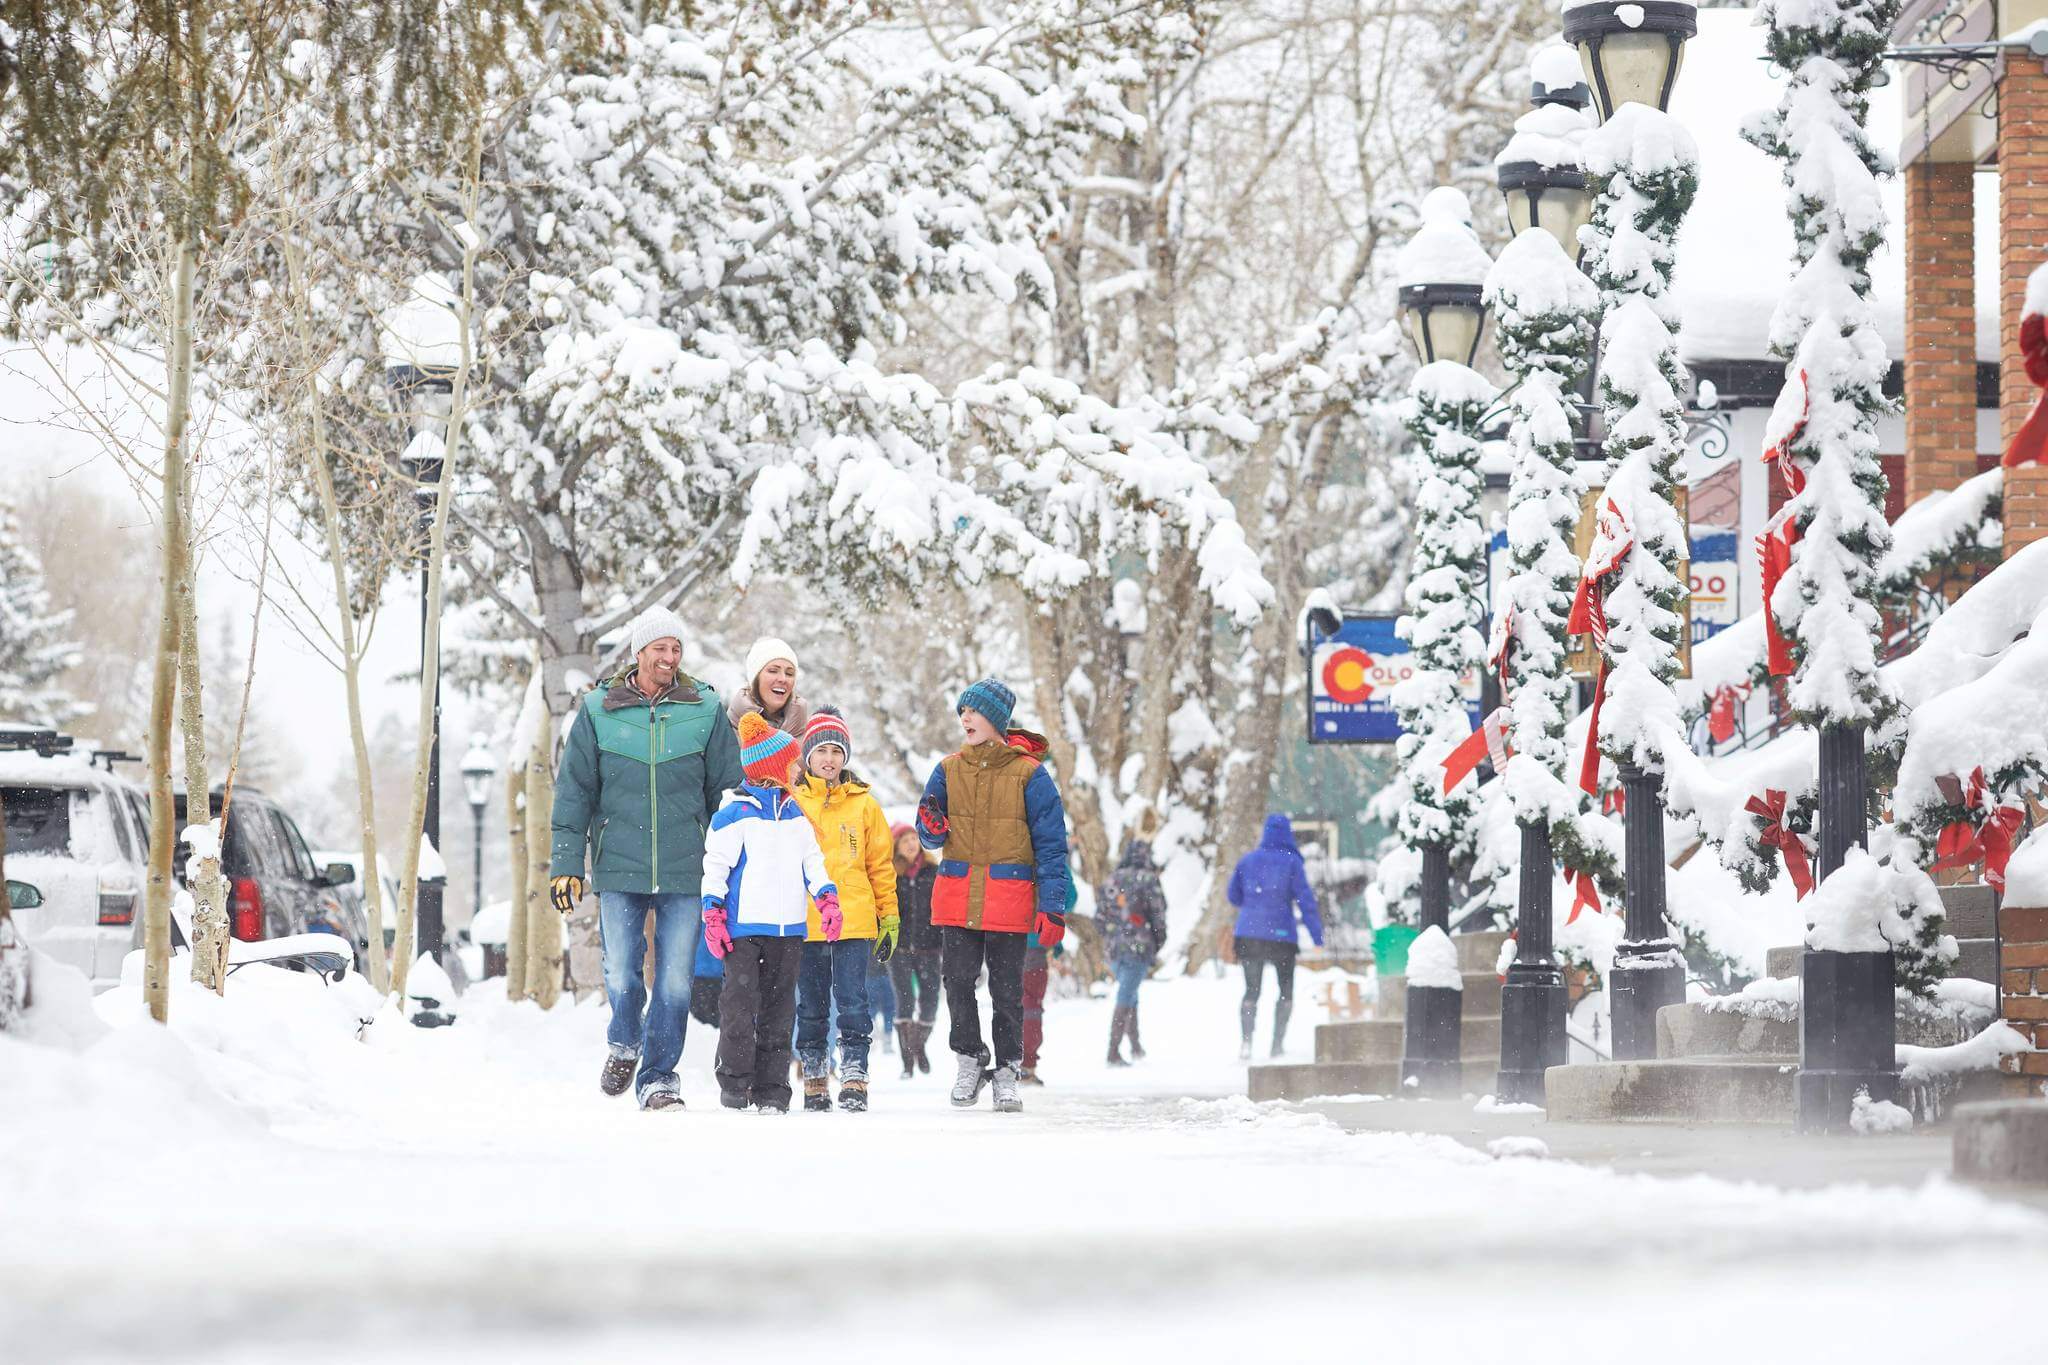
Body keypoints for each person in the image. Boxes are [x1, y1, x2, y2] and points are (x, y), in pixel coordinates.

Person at [550, 606, 742, 1111]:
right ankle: (624, 1040)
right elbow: (573, 793)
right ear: (639, 653)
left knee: (676, 979)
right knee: (620, 972)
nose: (670, 657)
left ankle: (658, 1077)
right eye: (660, 648)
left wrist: (730, 862)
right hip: (618, 863)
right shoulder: (598, 711)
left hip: (686, 865)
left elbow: (727, 791)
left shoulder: (704, 708)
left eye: (676, 649)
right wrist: (567, 863)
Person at [916, 677, 1070, 1114]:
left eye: (974, 710)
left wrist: (1053, 907)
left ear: (997, 720)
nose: (964, 717)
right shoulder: (947, 769)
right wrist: (930, 823)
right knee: (957, 983)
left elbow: (1052, 846)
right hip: (958, 896)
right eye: (962, 711)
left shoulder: (1031, 775)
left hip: (1009, 897)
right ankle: (970, 1058)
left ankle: (1006, 1071)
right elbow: (928, 834)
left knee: (1006, 992)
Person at [700, 711, 840, 1112]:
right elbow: (715, 867)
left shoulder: (798, 815)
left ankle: (772, 1090)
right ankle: (734, 1081)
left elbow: (813, 862)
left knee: (780, 1012)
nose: (799, 768)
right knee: (739, 1007)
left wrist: (826, 898)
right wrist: (712, 912)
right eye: (793, 762)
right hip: (743, 929)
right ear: (774, 768)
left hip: (789, 929)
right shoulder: (734, 813)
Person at [791, 707, 898, 1112]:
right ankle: (815, 1076)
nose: (829, 759)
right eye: (821, 751)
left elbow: (880, 865)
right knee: (812, 1004)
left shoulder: (865, 805)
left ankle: (855, 1076)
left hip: (854, 919)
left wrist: (889, 915)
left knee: (853, 1001)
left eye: (837, 751)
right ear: (808, 757)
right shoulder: (795, 801)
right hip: (806, 919)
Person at [1226, 812, 1323, 1060]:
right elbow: (1306, 900)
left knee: (1251, 990)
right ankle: (1276, 1044)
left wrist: (1254, 906)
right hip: (1282, 936)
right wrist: (1316, 936)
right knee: (1285, 991)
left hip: (1248, 934)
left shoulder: (1247, 861)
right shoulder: (1292, 862)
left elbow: (1233, 896)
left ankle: (1246, 1042)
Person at [1099, 835, 1167, 1066]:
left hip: (1113, 950)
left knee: (1130, 993)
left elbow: (1099, 918)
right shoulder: (1149, 880)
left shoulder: (1112, 880)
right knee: (1127, 995)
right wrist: (1158, 941)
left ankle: (1136, 1046)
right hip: (1139, 946)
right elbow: (1158, 915)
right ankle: (1113, 1052)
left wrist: (1112, 934)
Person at [887, 823, 941, 1079]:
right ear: (896, 846)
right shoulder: (889, 874)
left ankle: (918, 1045)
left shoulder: (934, 871)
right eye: (905, 839)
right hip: (899, 949)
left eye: (914, 838)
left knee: (930, 1004)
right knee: (904, 1001)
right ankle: (907, 1063)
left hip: (930, 947)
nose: (910, 843)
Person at [727, 637, 809, 737]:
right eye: (773, 671)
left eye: (789, 673)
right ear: (755, 678)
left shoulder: (809, 737)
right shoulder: (727, 731)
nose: (783, 679)